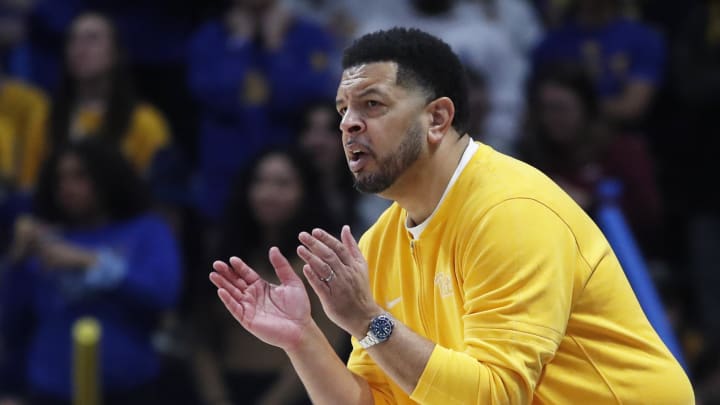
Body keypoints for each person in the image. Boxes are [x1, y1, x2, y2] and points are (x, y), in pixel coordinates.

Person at [209, 28, 694, 404]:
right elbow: (376, 399)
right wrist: (304, 339)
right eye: (342, 109)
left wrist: (368, 320)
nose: (348, 123)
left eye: (371, 104)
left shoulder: (511, 212)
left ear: (438, 118)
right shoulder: (379, 244)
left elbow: (496, 396)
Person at [0, 138, 182, 404]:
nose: (66, 187)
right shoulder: (45, 238)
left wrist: (89, 261)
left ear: (107, 176)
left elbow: (163, 294)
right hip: (50, 390)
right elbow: (11, 322)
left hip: (127, 389)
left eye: (79, 176)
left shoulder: (146, 230)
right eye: (59, 179)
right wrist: (16, 262)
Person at [192, 147, 346, 405]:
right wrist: (216, 397)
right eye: (260, 182)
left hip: (302, 390)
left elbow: (330, 342)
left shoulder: (321, 258)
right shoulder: (224, 251)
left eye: (282, 183)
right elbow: (200, 334)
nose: (268, 193)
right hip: (228, 388)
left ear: (305, 192)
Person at [518, 65, 663, 256]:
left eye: (559, 109)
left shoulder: (622, 150)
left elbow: (649, 214)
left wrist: (593, 204)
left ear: (587, 108)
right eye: (544, 109)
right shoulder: (532, 155)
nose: (550, 118)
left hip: (624, 258)